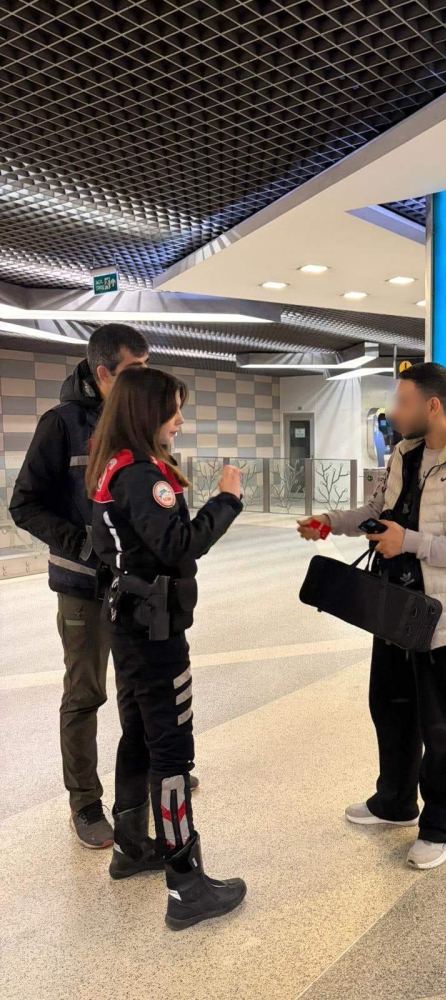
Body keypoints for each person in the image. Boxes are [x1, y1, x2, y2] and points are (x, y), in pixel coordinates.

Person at [298, 362, 446, 870]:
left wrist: (408, 541)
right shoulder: (402, 454)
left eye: (403, 402)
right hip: (391, 602)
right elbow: (375, 512)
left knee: (440, 724)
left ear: (433, 405)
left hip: (437, 613)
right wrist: (330, 521)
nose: (393, 411)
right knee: (389, 706)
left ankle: (443, 825)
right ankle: (394, 801)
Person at [87, 366, 246, 930]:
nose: (179, 420)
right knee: (172, 751)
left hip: (131, 624)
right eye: (172, 409)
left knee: (139, 735)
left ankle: (131, 845)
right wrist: (227, 500)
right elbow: (180, 544)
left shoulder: (113, 464)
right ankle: (186, 882)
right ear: (146, 412)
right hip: (154, 633)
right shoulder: (141, 475)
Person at [10, 323, 150, 849]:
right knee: (86, 691)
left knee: (140, 688)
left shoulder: (138, 420)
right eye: (135, 371)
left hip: (135, 583)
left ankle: (144, 776)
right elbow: (24, 504)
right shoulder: (62, 425)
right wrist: (85, 546)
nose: (144, 381)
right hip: (83, 585)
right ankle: (85, 802)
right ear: (103, 373)